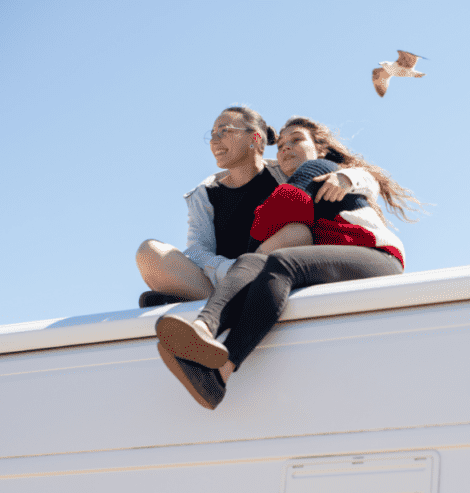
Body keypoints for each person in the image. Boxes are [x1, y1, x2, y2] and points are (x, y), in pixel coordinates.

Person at [154, 116, 420, 410]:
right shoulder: (317, 175)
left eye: (296, 140)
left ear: (319, 148)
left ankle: (223, 360)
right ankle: (206, 341)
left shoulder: (318, 168)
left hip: (377, 256)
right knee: (260, 261)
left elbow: (286, 204)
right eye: (280, 145)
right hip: (333, 261)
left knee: (278, 261)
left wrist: (256, 240)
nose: (285, 148)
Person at [135, 107, 382, 307]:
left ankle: (201, 303)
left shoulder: (286, 169)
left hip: (275, 274)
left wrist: (350, 178)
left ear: (255, 139)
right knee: (149, 252)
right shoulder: (205, 193)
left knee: (297, 233)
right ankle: (222, 304)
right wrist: (231, 270)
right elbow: (198, 250)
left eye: (224, 131)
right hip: (222, 280)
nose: (214, 139)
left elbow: (344, 177)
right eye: (211, 134)